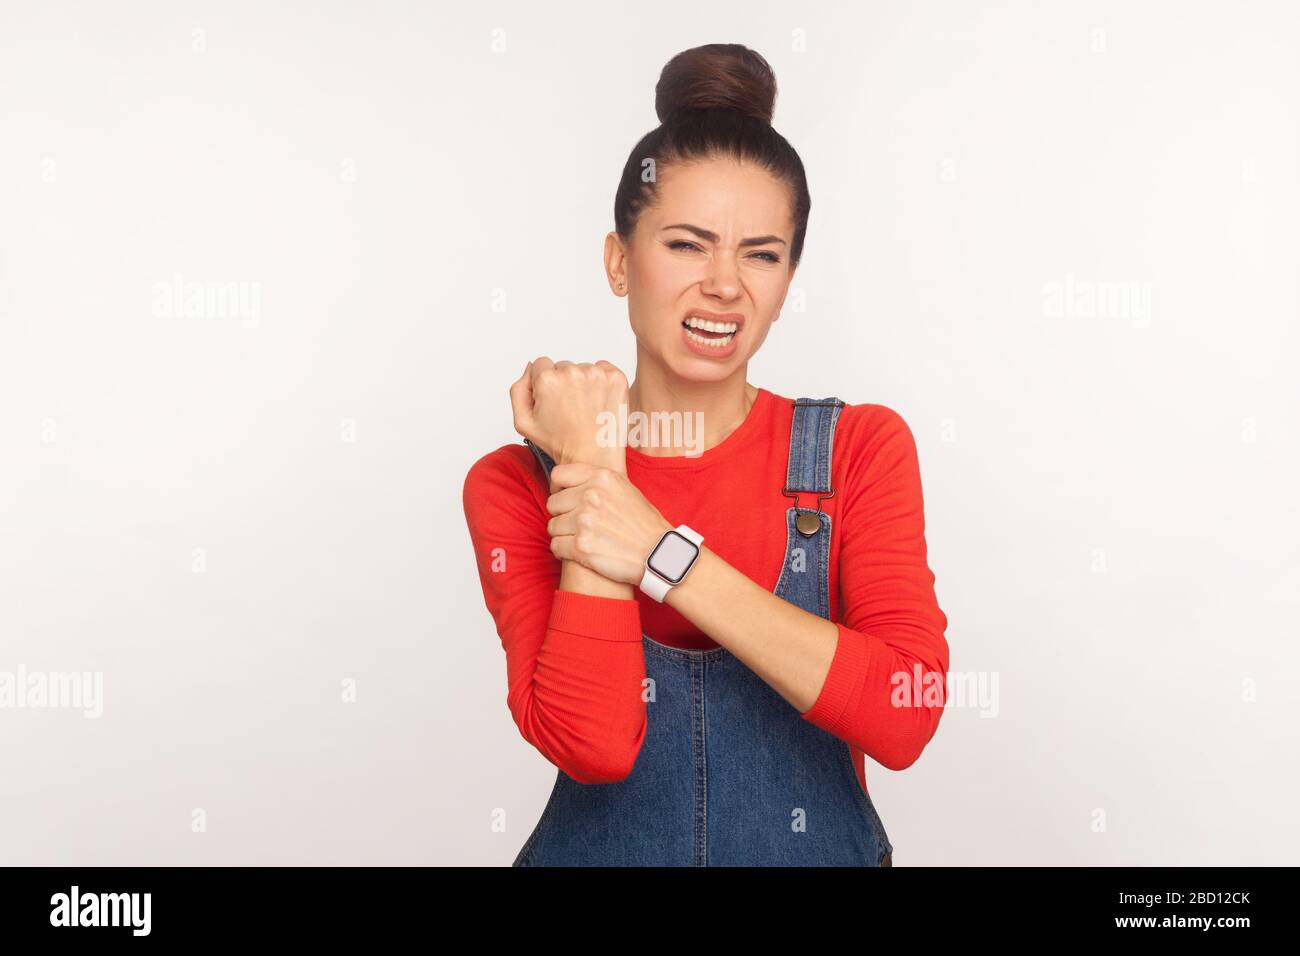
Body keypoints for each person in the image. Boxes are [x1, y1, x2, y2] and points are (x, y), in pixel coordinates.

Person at [462, 43, 949, 866]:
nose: (725, 284)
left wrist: (657, 551)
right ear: (620, 261)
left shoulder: (860, 451)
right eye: (687, 245)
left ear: (788, 280)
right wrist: (594, 468)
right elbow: (595, 745)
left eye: (761, 254)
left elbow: (907, 714)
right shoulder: (518, 482)